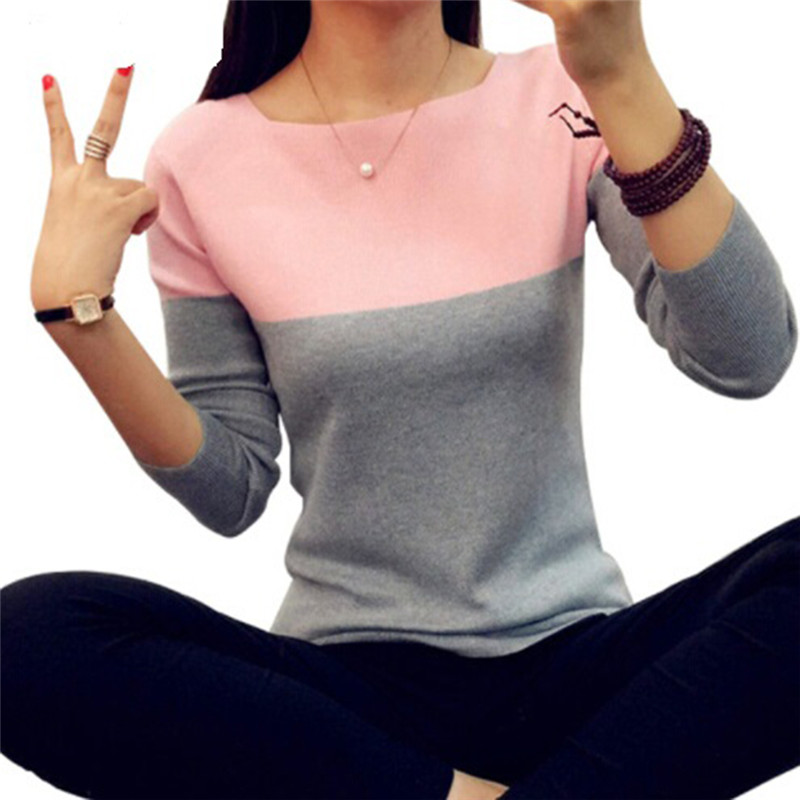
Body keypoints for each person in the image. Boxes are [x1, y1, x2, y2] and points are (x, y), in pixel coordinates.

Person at [3, 1, 799, 798]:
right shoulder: (199, 156)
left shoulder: (561, 95)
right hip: (351, 715)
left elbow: (747, 356)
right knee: (24, 638)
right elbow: (230, 490)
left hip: (578, 676)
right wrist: (83, 324)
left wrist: (622, 75)